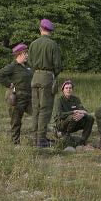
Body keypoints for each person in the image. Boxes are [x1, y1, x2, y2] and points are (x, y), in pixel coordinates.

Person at [28, 18, 63, 148]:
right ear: (51, 31)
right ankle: (41, 140)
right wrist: (54, 73)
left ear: (40, 29)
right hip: (47, 77)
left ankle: (35, 138)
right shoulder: (53, 45)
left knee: (36, 109)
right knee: (45, 109)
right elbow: (58, 65)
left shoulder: (33, 44)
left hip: (35, 77)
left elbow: (30, 62)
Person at [0, 43, 33, 145]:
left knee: (38, 114)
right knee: (16, 121)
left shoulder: (28, 66)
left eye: (27, 53)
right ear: (19, 54)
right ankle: (15, 142)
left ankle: (40, 139)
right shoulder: (12, 66)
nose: (27, 55)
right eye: (25, 53)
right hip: (18, 98)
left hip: (29, 97)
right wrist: (10, 85)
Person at [53, 80, 94, 146]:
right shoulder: (60, 100)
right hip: (62, 123)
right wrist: (73, 111)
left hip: (74, 122)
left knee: (90, 118)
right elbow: (60, 114)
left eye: (70, 88)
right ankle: (64, 135)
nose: (68, 90)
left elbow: (84, 110)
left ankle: (83, 140)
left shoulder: (76, 99)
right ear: (63, 90)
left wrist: (82, 115)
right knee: (73, 116)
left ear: (72, 89)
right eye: (66, 88)